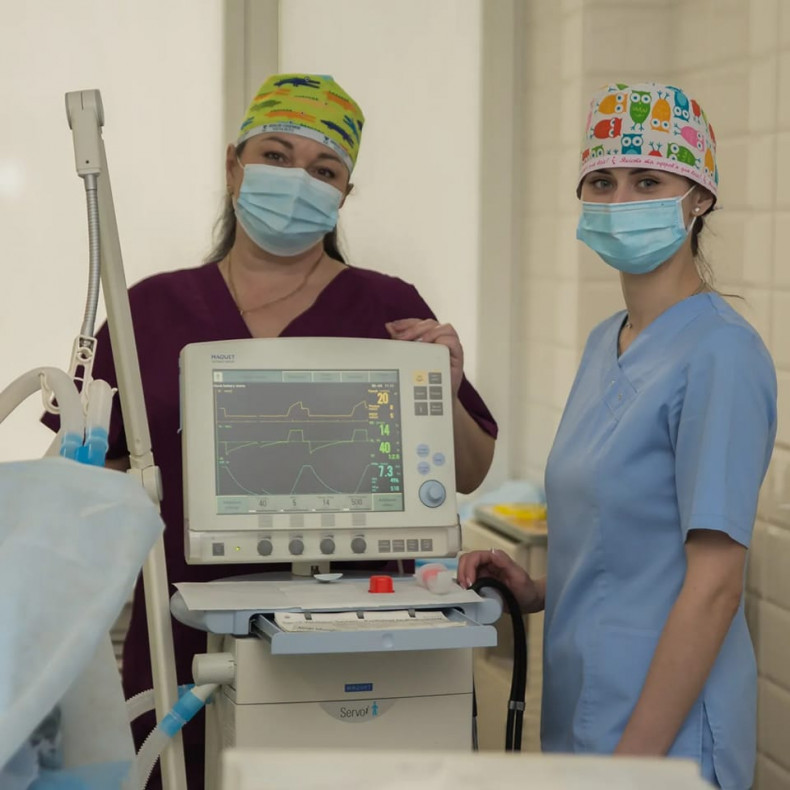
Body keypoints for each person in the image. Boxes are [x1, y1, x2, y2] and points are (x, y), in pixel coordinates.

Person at [44, 73, 497, 787]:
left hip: (361, 638)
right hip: (184, 636)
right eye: (276, 157)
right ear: (234, 167)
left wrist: (444, 381)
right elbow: (79, 477)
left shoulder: (388, 307)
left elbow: (469, 470)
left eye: (324, 170)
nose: (297, 181)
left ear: (344, 194)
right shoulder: (147, 312)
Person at [458, 82, 776, 790]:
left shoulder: (721, 354)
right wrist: (539, 589)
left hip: (665, 744)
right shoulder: (609, 341)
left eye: (648, 181)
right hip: (586, 717)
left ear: (699, 197)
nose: (620, 200)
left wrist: (630, 768)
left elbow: (716, 588)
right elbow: (630, 547)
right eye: (602, 182)